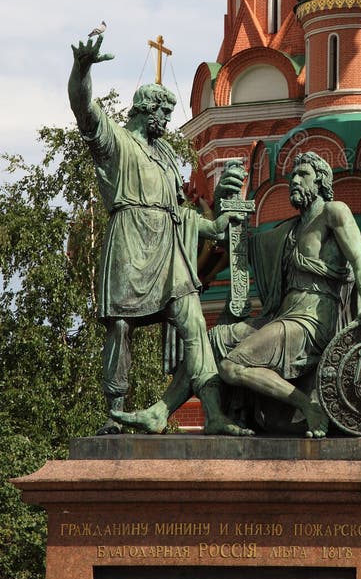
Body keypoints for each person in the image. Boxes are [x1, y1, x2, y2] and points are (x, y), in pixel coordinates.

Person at [112, 151, 361, 438]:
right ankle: (161, 411)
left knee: (232, 365)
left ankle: (309, 407)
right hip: (282, 316)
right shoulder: (289, 230)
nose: (294, 180)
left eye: (302, 175)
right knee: (211, 340)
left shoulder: (334, 212)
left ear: (320, 181)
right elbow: (238, 244)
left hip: (312, 323)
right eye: (292, 175)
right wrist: (222, 201)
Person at [68, 35, 251, 436]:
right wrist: (82, 68)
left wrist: (215, 221)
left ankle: (215, 414)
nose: (167, 121)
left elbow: (180, 216)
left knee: (194, 329)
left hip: (169, 252)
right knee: (119, 327)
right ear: (145, 109)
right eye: (163, 113)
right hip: (130, 244)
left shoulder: (167, 157)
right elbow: (85, 110)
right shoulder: (117, 144)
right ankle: (114, 413)